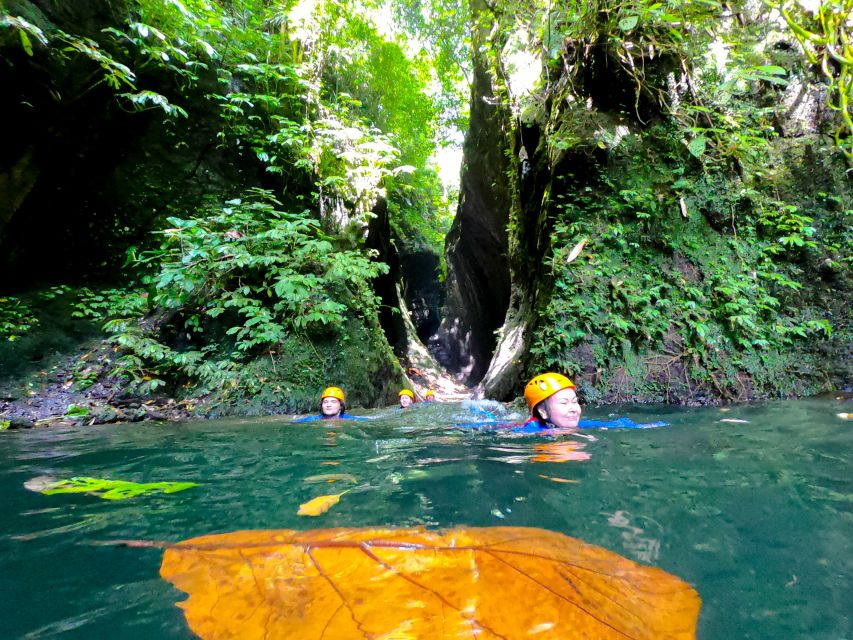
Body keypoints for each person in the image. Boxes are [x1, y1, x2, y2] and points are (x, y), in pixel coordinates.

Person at [294, 386, 368, 422]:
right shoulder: (312, 419)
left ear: (341, 406)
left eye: (333, 401)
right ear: (321, 405)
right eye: (325, 402)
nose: (328, 405)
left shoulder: (351, 419)